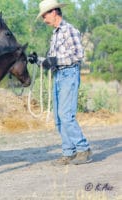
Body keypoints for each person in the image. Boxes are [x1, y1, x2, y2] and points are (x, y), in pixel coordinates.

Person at [30, 0, 92, 165]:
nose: (44, 19)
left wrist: (55, 61)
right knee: (59, 118)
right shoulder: (55, 34)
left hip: (69, 75)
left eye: (45, 15)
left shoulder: (69, 30)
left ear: (54, 12)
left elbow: (78, 55)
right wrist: (37, 60)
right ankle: (68, 152)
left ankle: (83, 149)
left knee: (66, 115)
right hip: (59, 76)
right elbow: (52, 61)